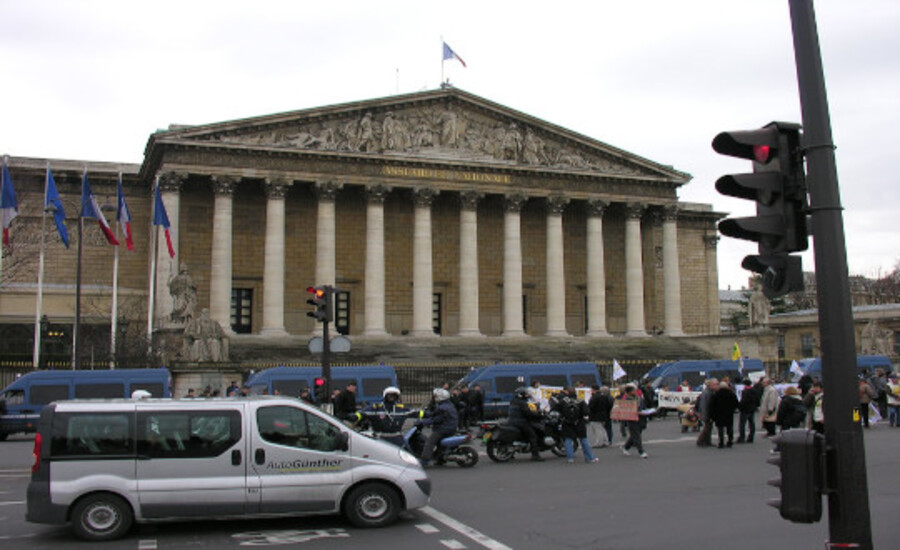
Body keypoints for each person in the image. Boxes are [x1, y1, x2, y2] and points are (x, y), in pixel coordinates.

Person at [553, 387, 598, 463]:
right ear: (576, 392)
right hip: (579, 422)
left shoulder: (564, 401)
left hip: (567, 422)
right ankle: (589, 457)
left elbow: (555, 409)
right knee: (583, 440)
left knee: (568, 440)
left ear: (567, 393)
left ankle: (570, 458)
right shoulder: (580, 401)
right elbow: (586, 412)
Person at [419, 388, 458, 466]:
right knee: (440, 444)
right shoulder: (448, 405)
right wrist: (425, 414)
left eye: (435, 396)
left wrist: (423, 422)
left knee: (429, 442)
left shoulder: (442, 408)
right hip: (451, 427)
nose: (434, 397)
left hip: (444, 428)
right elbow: (434, 414)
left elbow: (436, 419)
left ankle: (424, 460)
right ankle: (440, 459)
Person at [508, 386, 545, 461]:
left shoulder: (514, 401)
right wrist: (538, 415)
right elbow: (527, 413)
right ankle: (535, 455)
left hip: (512, 420)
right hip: (520, 421)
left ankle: (512, 453)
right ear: (521, 394)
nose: (527, 395)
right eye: (525, 394)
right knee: (533, 436)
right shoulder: (522, 403)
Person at [620, 383, 650, 458]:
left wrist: (646, 411)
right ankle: (641, 451)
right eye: (634, 390)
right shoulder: (626, 399)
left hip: (641, 418)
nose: (635, 391)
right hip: (632, 419)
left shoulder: (638, 398)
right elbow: (625, 410)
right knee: (637, 436)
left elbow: (644, 405)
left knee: (635, 435)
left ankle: (625, 447)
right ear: (629, 392)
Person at [709, 381, 739, 448]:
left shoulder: (716, 394)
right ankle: (730, 441)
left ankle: (721, 442)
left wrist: (712, 415)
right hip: (729, 414)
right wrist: (732, 409)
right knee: (729, 428)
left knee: (720, 429)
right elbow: (736, 403)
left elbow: (712, 406)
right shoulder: (731, 394)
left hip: (719, 414)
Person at [737, 378, 762, 443]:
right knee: (751, 423)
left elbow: (743, 401)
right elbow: (758, 400)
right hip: (752, 409)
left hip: (745, 409)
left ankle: (742, 438)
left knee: (742, 424)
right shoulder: (754, 390)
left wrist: (740, 407)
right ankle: (751, 437)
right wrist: (756, 406)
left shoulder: (745, 391)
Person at [695, 378, 718, 447]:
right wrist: (705, 415)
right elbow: (704, 405)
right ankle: (701, 441)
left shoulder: (709, 392)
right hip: (706, 413)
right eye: (715, 384)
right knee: (707, 428)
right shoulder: (707, 393)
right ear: (710, 385)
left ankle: (707, 441)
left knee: (709, 427)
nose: (717, 386)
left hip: (708, 413)